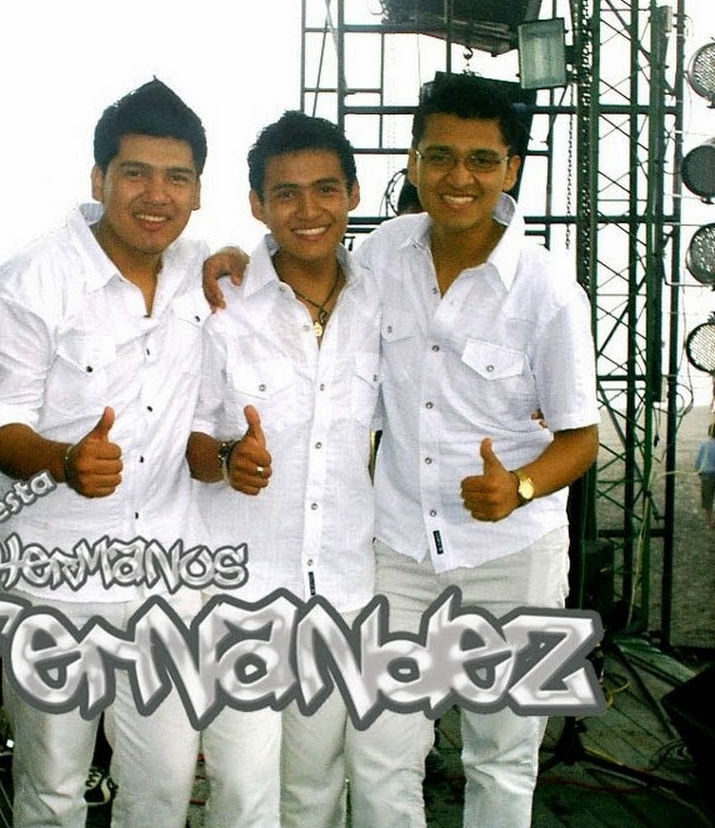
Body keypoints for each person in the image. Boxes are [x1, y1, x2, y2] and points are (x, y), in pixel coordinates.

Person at [203, 73, 600, 827]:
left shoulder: (548, 289)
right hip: (400, 555)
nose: (459, 177)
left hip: (516, 554)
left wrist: (519, 485)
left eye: (482, 160)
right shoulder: (383, 254)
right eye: (440, 155)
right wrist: (234, 257)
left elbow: (583, 437)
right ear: (413, 162)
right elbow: (302, 259)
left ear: (511, 168)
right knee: (381, 754)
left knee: (502, 758)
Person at [0, 78, 209, 828]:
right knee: (53, 789)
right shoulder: (29, 281)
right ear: (99, 178)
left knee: (164, 785)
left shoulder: (200, 273)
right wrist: (62, 461)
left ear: (198, 190)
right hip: (54, 571)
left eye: (177, 177)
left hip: (167, 574)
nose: (156, 195)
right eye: (136, 173)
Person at [187, 110, 419, 828]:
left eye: (325, 189)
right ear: (257, 204)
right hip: (240, 594)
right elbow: (188, 439)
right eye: (285, 193)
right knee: (241, 791)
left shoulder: (384, 299)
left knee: (317, 787)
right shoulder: (220, 305)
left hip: (342, 590)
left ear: (353, 194)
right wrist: (227, 459)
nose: (308, 209)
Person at [696, 423, 715, 528]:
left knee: (707, 499)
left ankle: (710, 521)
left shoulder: (704, 444)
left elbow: (698, 459)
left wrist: (698, 470)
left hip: (706, 473)